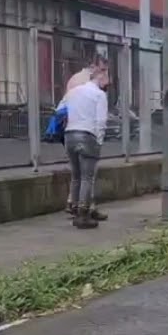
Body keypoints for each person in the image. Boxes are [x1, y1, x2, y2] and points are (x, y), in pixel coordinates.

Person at [62, 67, 111, 229]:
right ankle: (84, 214)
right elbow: (101, 121)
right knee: (87, 177)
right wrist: (99, 141)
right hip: (87, 135)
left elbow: (61, 110)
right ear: (100, 77)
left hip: (70, 135)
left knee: (76, 175)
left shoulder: (73, 92)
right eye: (107, 78)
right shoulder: (99, 95)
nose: (109, 83)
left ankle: (75, 208)